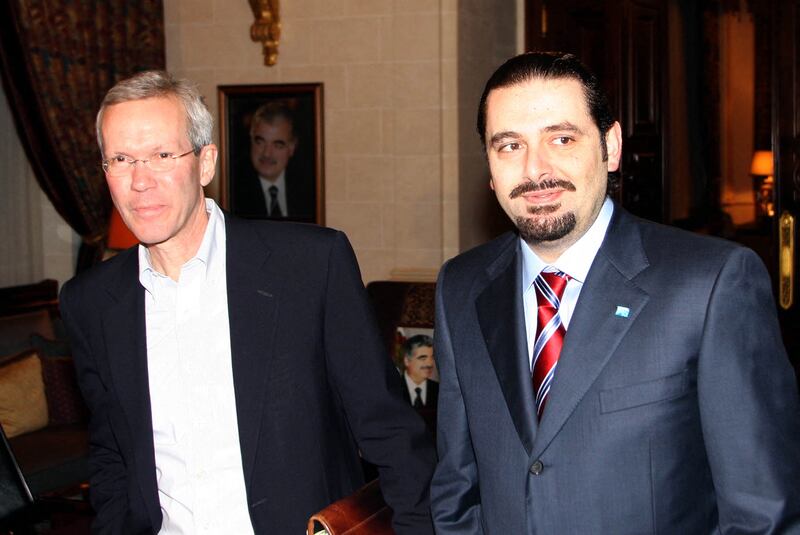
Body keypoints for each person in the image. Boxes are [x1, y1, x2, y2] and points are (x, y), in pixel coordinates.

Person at [430, 51, 800, 534]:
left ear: (611, 146)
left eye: (561, 138)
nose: (536, 170)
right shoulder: (461, 285)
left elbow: (762, 514)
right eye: (509, 146)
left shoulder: (711, 284)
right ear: (490, 167)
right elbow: (457, 488)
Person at [60, 70, 435, 534]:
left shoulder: (310, 266)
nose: (140, 181)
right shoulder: (91, 303)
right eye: (120, 158)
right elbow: (111, 451)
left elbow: (390, 433)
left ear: (206, 163)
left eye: (161, 154)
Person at [231, 101, 316, 221]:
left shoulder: (309, 188)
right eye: (260, 142)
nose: (266, 153)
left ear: (292, 147)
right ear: (251, 139)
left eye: (278, 145)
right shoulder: (233, 187)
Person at [400, 334, 438, 409]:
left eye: (432, 358)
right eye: (423, 358)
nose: (429, 364)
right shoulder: (392, 390)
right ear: (407, 361)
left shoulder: (439, 391)